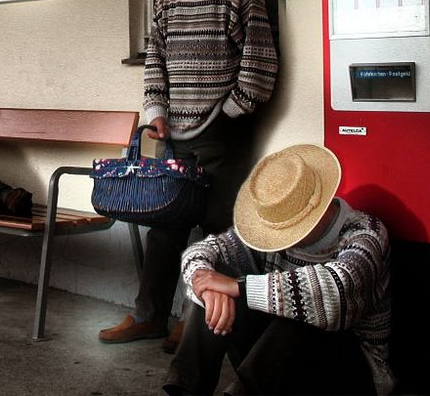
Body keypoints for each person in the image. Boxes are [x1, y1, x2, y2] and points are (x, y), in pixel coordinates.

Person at [99, 0, 278, 350]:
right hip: (173, 133)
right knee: (166, 228)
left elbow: (259, 57)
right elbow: (155, 57)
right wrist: (155, 110)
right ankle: (150, 316)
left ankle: (196, 325)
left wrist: (234, 111)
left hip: (223, 133)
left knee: (217, 232)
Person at [163, 144, 394, 395]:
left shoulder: (366, 233)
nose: (278, 238)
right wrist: (205, 286)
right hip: (273, 364)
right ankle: (185, 389)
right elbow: (202, 252)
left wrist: (237, 287)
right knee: (214, 277)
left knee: (303, 314)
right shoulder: (269, 233)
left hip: (351, 370)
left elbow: (336, 292)